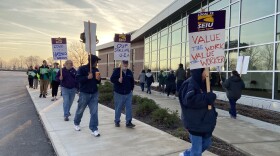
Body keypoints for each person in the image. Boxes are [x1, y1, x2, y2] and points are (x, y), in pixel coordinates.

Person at [178, 68, 217, 156]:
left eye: (208, 70)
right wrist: (207, 97)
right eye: (206, 70)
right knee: (196, 151)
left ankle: (187, 154)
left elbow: (209, 101)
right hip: (194, 123)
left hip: (206, 122)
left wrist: (214, 114)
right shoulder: (190, 84)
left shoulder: (206, 83)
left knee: (206, 143)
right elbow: (189, 100)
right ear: (200, 71)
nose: (208, 72)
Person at [74, 55, 101, 137]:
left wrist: (98, 79)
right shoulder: (82, 69)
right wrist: (87, 77)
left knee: (94, 112)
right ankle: (76, 123)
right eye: (96, 61)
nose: (97, 63)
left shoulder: (96, 70)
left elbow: (98, 82)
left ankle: (94, 128)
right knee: (80, 110)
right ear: (93, 61)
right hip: (84, 93)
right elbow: (77, 79)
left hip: (94, 93)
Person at [110, 60, 135, 128]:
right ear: (121, 64)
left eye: (126, 66)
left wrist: (131, 89)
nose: (125, 67)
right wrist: (118, 80)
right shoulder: (117, 71)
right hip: (119, 93)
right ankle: (117, 121)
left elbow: (132, 81)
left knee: (129, 108)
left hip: (128, 93)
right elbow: (112, 79)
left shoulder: (129, 72)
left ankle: (128, 121)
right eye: (124, 65)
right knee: (118, 108)